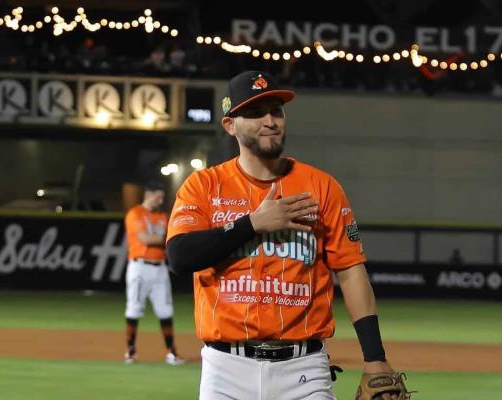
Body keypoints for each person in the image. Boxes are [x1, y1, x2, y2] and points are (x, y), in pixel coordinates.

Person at [166, 71, 407, 400]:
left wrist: (375, 357)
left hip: (304, 369)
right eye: (254, 113)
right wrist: (252, 224)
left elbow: (351, 271)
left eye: (276, 110)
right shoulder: (204, 186)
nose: (270, 121)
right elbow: (180, 257)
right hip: (226, 369)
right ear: (230, 125)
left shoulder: (322, 187)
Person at [123, 179, 185, 366]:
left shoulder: (163, 216)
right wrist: (167, 237)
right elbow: (146, 238)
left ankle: (171, 353)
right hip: (139, 267)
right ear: (148, 195)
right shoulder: (135, 213)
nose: (160, 201)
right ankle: (130, 351)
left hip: (159, 268)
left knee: (166, 310)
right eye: (158, 197)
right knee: (134, 308)